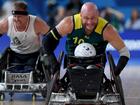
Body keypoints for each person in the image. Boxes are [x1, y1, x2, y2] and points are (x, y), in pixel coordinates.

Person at [42, 2, 130, 77]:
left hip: (96, 64)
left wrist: (117, 71)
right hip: (72, 62)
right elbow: (47, 40)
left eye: (93, 18)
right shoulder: (69, 23)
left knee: (93, 72)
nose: (90, 22)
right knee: (75, 72)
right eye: (86, 18)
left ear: (98, 16)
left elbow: (125, 52)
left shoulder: (106, 29)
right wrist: (52, 61)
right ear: (80, 16)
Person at [0, 1, 50, 79]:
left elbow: (51, 37)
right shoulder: (6, 23)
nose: (16, 19)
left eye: (19, 16)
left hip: (34, 55)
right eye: (15, 16)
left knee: (38, 68)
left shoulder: (37, 23)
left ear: (27, 15)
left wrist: (46, 52)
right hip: (14, 55)